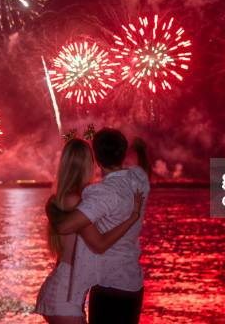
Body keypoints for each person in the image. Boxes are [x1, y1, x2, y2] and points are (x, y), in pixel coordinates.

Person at [35, 138, 144, 324]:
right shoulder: (77, 202)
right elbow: (99, 244)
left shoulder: (61, 199)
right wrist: (132, 217)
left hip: (63, 292)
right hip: (65, 297)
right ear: (89, 165)